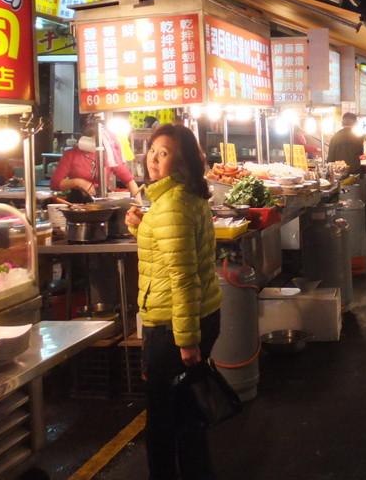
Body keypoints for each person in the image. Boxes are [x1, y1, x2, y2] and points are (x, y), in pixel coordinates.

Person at [125, 124, 222, 480]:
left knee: (164, 421)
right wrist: (141, 227)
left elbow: (182, 277)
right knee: (187, 412)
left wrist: (187, 341)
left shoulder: (171, 206)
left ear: (181, 162)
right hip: (197, 316)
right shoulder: (184, 196)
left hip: (172, 326)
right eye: (152, 150)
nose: (153, 158)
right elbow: (173, 255)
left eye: (163, 153)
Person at [50, 121, 140, 201]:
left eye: (99, 141)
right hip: (78, 201)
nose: (96, 144)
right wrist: (78, 182)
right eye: (92, 140)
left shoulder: (108, 155)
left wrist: (139, 205)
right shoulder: (71, 154)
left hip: (102, 199)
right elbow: (55, 184)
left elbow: (129, 181)